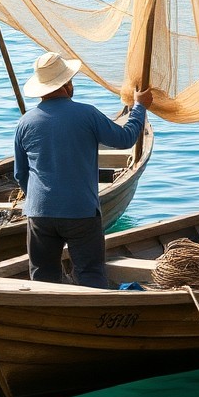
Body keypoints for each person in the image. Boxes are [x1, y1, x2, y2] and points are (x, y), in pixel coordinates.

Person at [13, 51, 154, 288]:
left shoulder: (25, 122)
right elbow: (126, 138)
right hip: (80, 212)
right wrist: (139, 107)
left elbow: (20, 174)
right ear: (67, 84)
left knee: (42, 278)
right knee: (90, 274)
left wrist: (38, 201)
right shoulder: (86, 113)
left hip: (39, 213)